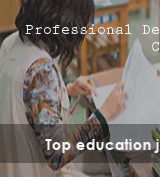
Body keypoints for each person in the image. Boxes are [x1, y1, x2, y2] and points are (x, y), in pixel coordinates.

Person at [0, 0, 128, 176]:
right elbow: (57, 155)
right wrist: (103, 115)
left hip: (12, 161)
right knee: (120, 166)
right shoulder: (41, 71)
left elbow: (26, 98)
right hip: (36, 168)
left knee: (107, 160)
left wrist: (63, 90)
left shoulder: (11, 42)